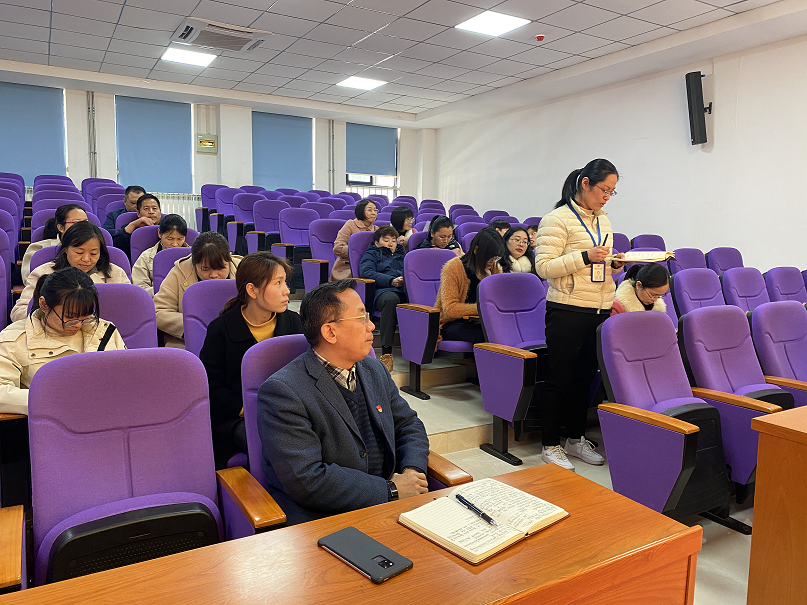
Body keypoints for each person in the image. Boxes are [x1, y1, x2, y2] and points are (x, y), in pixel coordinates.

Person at [256, 280, 429, 525]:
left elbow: (408, 424)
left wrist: (412, 471)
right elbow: (307, 479)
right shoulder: (283, 392)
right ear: (330, 332)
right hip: (326, 518)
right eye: (361, 318)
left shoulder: (374, 369)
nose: (371, 326)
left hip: (392, 504)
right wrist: (389, 490)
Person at [534, 158, 626, 472]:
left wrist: (614, 265)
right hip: (567, 309)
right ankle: (550, 444)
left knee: (584, 379)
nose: (607, 197)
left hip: (598, 307)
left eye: (612, 192)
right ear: (585, 183)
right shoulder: (556, 219)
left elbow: (599, 265)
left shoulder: (604, 221)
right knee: (559, 378)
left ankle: (575, 438)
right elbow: (544, 267)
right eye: (604, 189)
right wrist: (585, 256)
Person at [200, 252, 303, 470]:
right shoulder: (221, 330)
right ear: (252, 290)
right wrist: (250, 408)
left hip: (290, 413)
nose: (287, 291)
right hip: (238, 418)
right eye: (278, 283)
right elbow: (211, 388)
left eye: (285, 282)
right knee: (277, 446)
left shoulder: (295, 323)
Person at [0, 267, 126, 414]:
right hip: (51, 419)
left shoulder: (104, 331)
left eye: (85, 317)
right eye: (70, 317)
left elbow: (125, 378)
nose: (78, 325)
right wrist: (58, 400)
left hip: (107, 415)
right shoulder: (13, 339)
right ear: (44, 305)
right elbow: (2, 392)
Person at [11, 222, 130, 322]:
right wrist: (54, 315)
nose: (86, 259)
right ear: (66, 249)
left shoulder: (116, 273)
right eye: (79, 252)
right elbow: (18, 313)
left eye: (94, 253)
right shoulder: (43, 273)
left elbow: (132, 309)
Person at [154, 231, 241, 340]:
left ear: (229, 258)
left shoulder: (243, 269)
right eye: (205, 269)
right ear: (194, 262)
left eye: (220, 268)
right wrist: (194, 326)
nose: (214, 275)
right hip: (191, 340)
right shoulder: (179, 272)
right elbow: (158, 311)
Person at [434, 228, 504, 344]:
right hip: (450, 323)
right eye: (490, 257)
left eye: (496, 258)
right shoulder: (453, 268)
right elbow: (450, 309)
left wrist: (488, 279)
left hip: (480, 321)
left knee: (506, 332)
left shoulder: (495, 269)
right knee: (487, 335)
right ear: (476, 250)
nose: (493, 261)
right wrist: (483, 309)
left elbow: (499, 303)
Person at [359, 226, 406, 374]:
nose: (390, 243)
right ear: (377, 242)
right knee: (391, 300)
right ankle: (386, 353)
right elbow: (366, 272)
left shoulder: (402, 253)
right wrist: (391, 281)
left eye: (393, 240)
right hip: (382, 291)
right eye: (386, 240)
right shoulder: (372, 253)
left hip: (404, 290)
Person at [21, 203, 88, 282]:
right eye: (76, 223)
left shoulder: (95, 248)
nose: (83, 227)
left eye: (86, 223)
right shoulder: (39, 248)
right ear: (60, 227)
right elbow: (29, 279)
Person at [132, 214, 189, 296]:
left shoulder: (193, 255)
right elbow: (140, 289)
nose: (175, 244)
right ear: (159, 233)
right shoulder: (146, 257)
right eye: (170, 239)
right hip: (157, 300)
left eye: (180, 239)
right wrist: (166, 290)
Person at [331, 199, 378, 280]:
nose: (373, 213)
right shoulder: (350, 225)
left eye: (375, 210)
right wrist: (355, 252)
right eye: (369, 210)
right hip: (347, 267)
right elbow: (338, 247)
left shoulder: (376, 229)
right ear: (361, 211)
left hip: (369, 266)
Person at [112, 194, 162, 261]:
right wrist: (133, 224)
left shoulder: (166, 228)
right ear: (138, 213)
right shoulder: (131, 228)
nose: (151, 212)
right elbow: (116, 246)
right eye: (146, 208)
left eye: (154, 208)